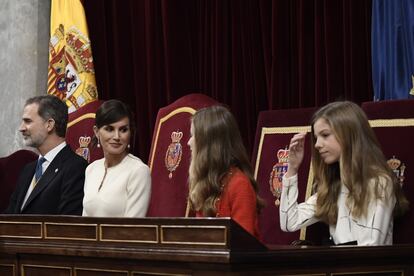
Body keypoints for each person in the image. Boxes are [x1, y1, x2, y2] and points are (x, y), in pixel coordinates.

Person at [280, 101, 408, 245]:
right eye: (316, 138)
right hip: (339, 265)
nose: (317, 144)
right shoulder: (334, 186)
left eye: (325, 135)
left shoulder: (378, 182)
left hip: (368, 267)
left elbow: (370, 247)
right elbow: (289, 222)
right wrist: (292, 168)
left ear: (348, 135)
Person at [188, 105, 264, 239]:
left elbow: (242, 244)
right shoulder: (206, 183)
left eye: (193, 135)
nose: (189, 142)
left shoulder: (239, 185)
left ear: (209, 144)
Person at [4, 95, 87, 215]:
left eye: (28, 121)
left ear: (49, 125)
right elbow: (9, 216)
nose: (21, 128)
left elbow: (67, 224)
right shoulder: (28, 169)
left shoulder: (75, 167)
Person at [82, 100, 151, 217]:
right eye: (109, 129)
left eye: (123, 130)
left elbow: (133, 228)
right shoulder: (91, 169)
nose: (117, 137)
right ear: (97, 132)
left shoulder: (139, 171)